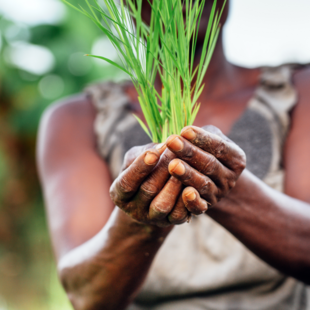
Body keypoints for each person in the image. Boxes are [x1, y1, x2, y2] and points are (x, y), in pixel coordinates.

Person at [37, 1, 310, 309]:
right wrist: (136, 220)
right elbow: (86, 294)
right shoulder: (77, 120)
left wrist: (222, 185)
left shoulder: (299, 93)